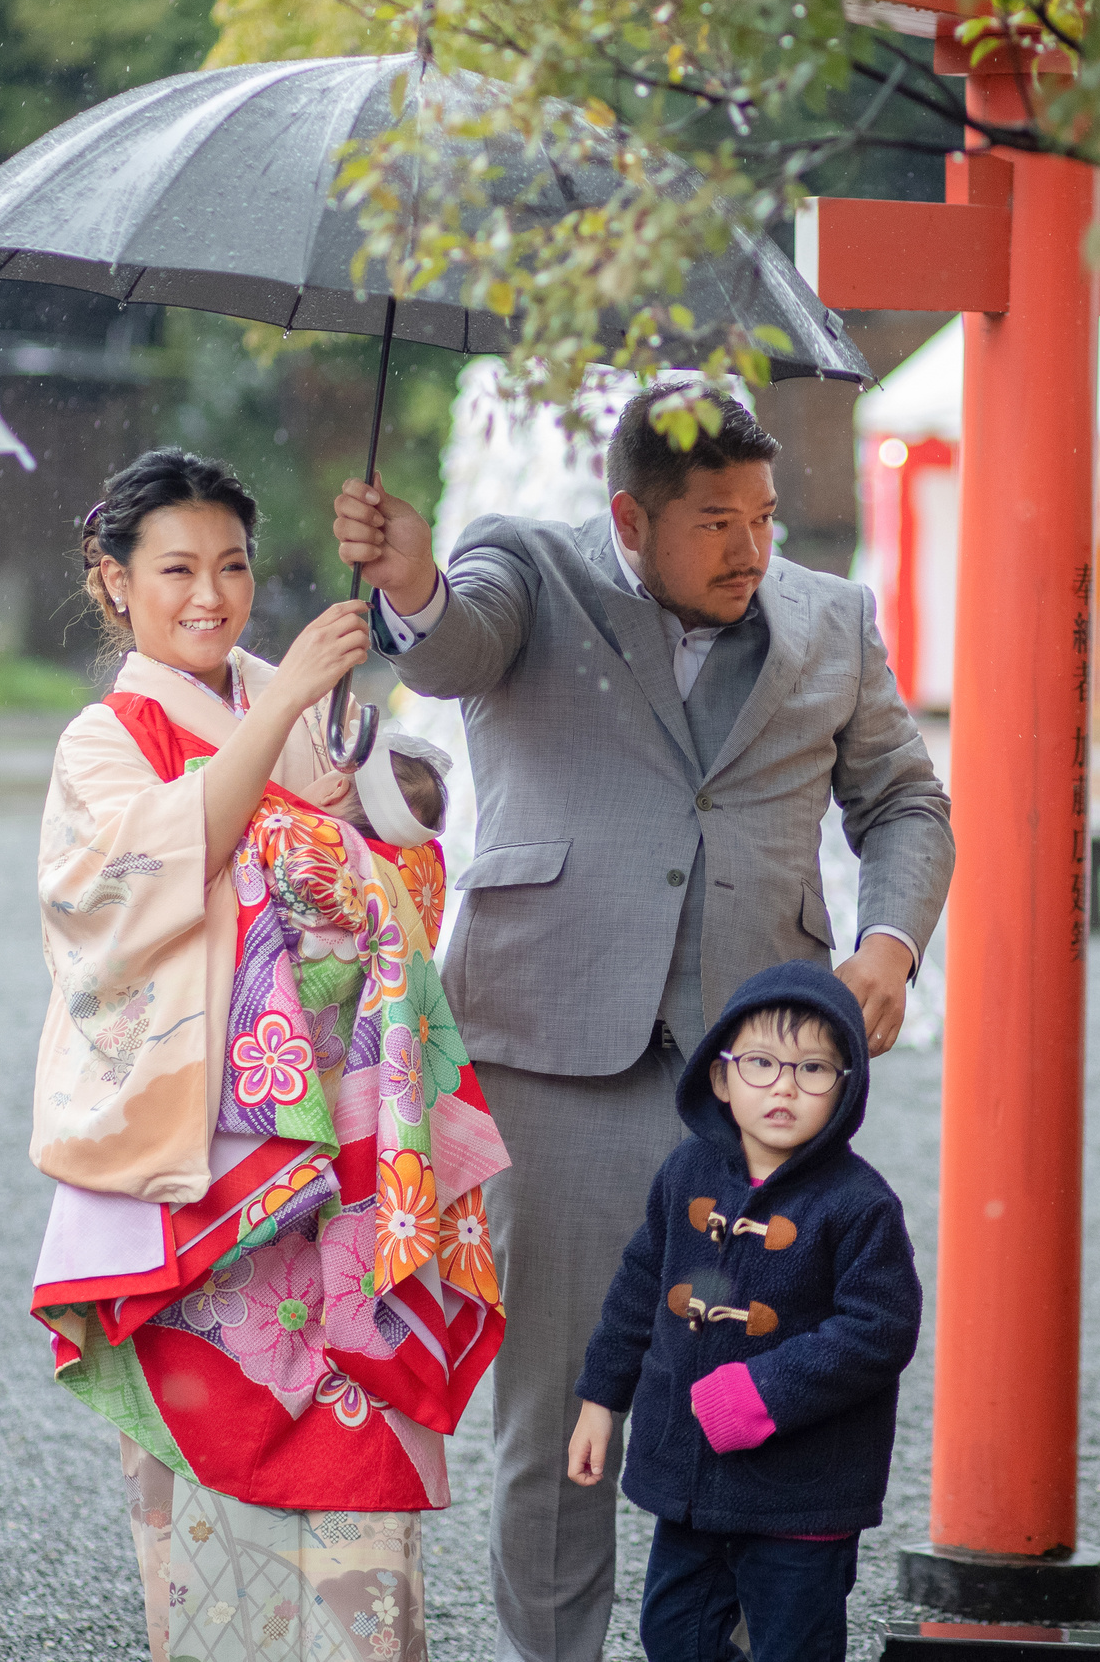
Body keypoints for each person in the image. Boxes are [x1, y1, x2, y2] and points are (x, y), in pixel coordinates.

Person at [332, 384, 955, 1662]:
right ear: (630, 515)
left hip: (762, 1090)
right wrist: (410, 585)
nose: (750, 547)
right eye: (716, 521)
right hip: (556, 1060)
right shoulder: (527, 567)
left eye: (765, 517)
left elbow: (903, 799)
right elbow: (452, 645)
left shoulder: (830, 618)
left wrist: (889, 944)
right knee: (561, 1409)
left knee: (748, 1397)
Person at [28, 447, 509, 1662]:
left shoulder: (280, 697)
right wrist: (291, 719)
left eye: (233, 565)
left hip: (342, 1146)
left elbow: (388, 842)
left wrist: (369, 787)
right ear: (114, 584)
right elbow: (163, 864)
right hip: (208, 1167)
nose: (210, 594)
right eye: (176, 568)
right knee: (211, 1455)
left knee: (360, 1419)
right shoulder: (106, 738)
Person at [568, 961, 918, 1662]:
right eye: (760, 1062)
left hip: (803, 1491)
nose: (784, 1084)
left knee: (795, 1645)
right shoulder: (686, 1174)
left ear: (847, 1087)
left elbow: (879, 1328)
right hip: (691, 1480)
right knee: (674, 1634)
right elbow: (641, 1286)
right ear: (721, 1077)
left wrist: (760, 1392)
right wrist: (601, 1399)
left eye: (813, 1068)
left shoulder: (858, 1203)